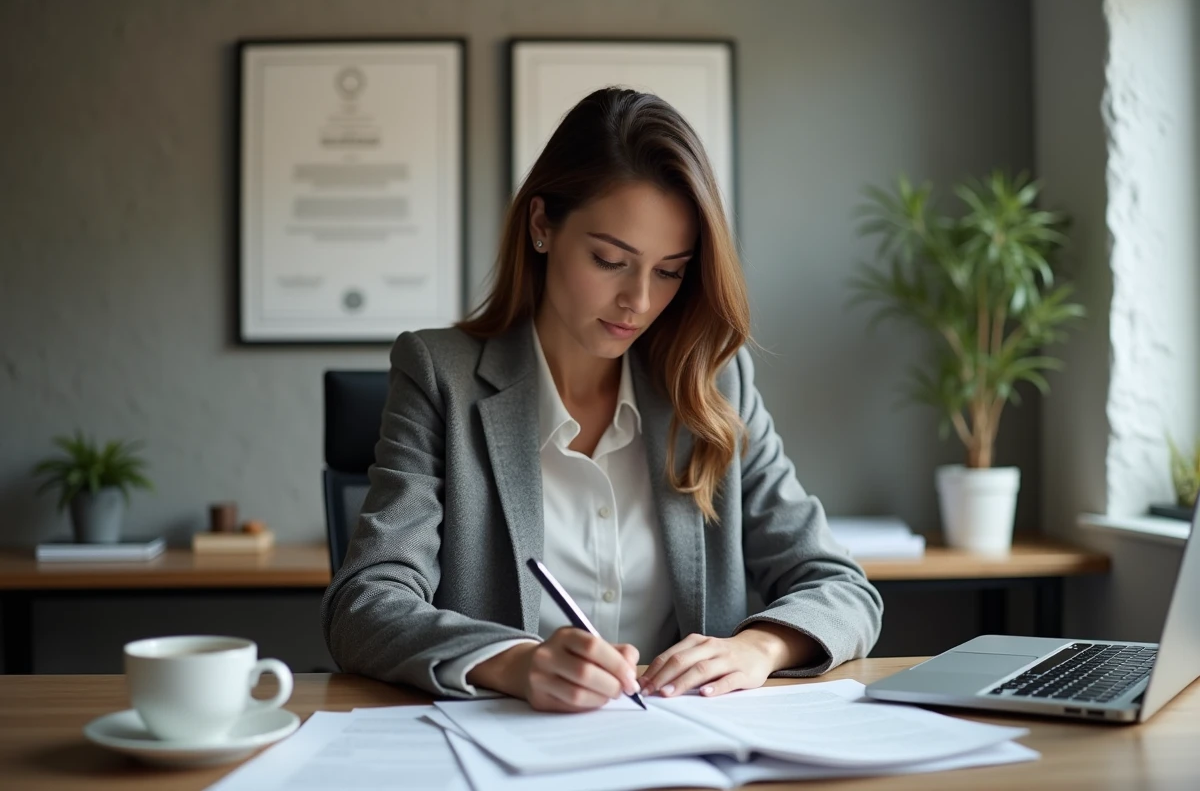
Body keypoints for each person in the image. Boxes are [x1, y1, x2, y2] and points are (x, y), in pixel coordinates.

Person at [322, 87, 882, 712]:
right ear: (541, 225)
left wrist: (761, 648)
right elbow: (366, 603)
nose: (639, 301)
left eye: (670, 270)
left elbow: (841, 588)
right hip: (511, 751)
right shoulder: (439, 376)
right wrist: (516, 662)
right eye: (610, 259)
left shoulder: (714, 384)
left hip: (688, 754)